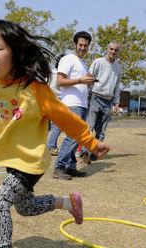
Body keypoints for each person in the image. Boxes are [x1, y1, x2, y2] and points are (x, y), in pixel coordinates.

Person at [0, 20, 110, 248]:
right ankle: (68, 202)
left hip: (30, 161)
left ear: (19, 53)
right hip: (10, 159)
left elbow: (64, 117)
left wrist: (90, 142)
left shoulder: (35, 90)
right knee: (25, 208)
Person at [53, 31, 97, 180]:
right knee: (72, 137)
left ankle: (71, 167)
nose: (83, 48)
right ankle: (59, 167)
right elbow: (60, 81)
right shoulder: (67, 59)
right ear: (74, 44)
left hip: (82, 104)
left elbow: (83, 86)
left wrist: (88, 83)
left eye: (86, 45)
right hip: (71, 104)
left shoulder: (83, 64)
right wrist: (80, 80)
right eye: (80, 45)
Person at [80, 41, 122, 164]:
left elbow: (117, 86)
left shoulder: (118, 67)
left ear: (118, 52)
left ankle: (94, 153)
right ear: (107, 49)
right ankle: (83, 152)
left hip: (108, 100)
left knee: (101, 130)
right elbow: (89, 78)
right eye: (111, 49)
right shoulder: (98, 62)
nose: (113, 51)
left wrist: (116, 103)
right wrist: (85, 96)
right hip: (95, 97)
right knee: (90, 127)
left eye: (115, 50)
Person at [47, 54, 65, 156]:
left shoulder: (51, 72)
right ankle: (51, 146)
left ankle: (50, 146)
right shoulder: (56, 74)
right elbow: (53, 88)